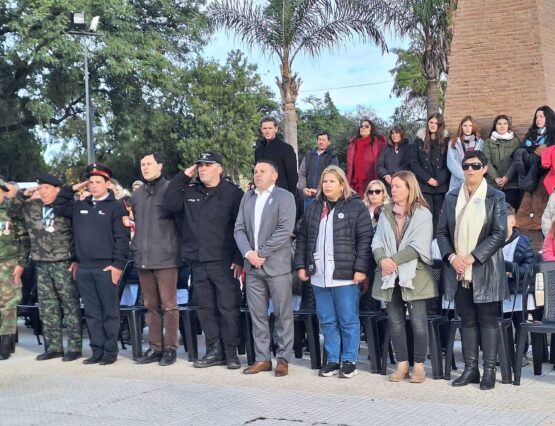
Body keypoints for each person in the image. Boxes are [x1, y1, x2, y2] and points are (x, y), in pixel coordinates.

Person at [163, 151, 244, 369]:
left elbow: (241, 227)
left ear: (220, 168)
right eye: (200, 165)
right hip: (197, 261)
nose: (203, 169)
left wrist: (239, 258)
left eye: (208, 165)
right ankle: (214, 349)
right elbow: (169, 204)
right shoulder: (190, 190)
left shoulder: (232, 193)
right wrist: (183, 175)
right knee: (205, 308)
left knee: (228, 308)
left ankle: (230, 352)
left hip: (224, 261)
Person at [437, 150, 508, 390]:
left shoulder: (496, 196)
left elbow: (499, 233)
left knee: (487, 320)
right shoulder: (451, 197)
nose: (470, 170)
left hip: (484, 268)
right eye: (466, 165)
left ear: (484, 168)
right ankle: (470, 369)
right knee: (466, 319)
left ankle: (489, 370)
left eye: (476, 165)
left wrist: (472, 257)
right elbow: (442, 232)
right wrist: (452, 256)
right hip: (458, 269)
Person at [294, 165, 372, 378]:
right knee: (327, 320)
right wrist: (301, 265)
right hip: (320, 275)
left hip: (346, 275)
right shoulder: (313, 207)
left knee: (347, 319)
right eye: (324, 181)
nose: (327, 185)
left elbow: (365, 239)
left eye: (332, 181)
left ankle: (349, 360)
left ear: (341, 184)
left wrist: (360, 269)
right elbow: (302, 239)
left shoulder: (356, 207)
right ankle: (332, 360)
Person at [55, 163, 130, 365]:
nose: (94, 186)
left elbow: (122, 239)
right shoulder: (80, 205)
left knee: (109, 311)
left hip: (106, 268)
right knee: (91, 312)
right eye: (91, 182)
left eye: (98, 182)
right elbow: (60, 205)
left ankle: (109, 352)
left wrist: (118, 266)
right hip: (84, 267)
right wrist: (74, 187)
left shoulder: (116, 206)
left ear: (108, 184)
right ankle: (96, 351)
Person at [371, 171, 436, 383]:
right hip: (389, 274)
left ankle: (419, 366)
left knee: (418, 321)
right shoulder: (385, 212)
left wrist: (392, 261)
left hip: (414, 274)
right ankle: (401, 364)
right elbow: (377, 241)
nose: (394, 189)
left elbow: (418, 246)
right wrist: (382, 260)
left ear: (410, 188)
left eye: (399, 186)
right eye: (393, 186)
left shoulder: (422, 213)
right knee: (396, 322)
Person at [234, 160, 296, 376]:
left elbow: (284, 230)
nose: (257, 174)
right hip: (252, 268)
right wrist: (249, 254)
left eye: (262, 171)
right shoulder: (247, 197)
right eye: (255, 171)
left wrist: (261, 253)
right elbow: (239, 229)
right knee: (257, 314)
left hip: (277, 266)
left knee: (282, 314)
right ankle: (262, 358)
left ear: (274, 175)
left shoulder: (285, 197)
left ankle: (283, 358)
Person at [13, 173, 82, 361]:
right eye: (40, 187)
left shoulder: (66, 207)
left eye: (47, 188)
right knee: (47, 307)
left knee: (70, 306)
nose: (43, 192)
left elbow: (77, 234)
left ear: (57, 190)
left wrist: (76, 259)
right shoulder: (32, 207)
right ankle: (53, 347)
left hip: (64, 262)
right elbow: (11, 211)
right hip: (41, 264)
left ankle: (75, 347)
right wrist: (23, 194)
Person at [131, 153, 181, 366]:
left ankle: (170, 348)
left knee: (169, 305)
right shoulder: (137, 194)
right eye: (142, 164)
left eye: (149, 164)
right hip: (143, 257)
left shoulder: (170, 190)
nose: (145, 167)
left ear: (160, 165)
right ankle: (155, 347)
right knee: (150, 305)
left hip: (166, 257)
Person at [0, 178, 29, 360]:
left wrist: (21, 264)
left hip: (9, 264)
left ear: (4, 192)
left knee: (8, 306)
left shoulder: (12, 213)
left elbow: (24, 239)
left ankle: (5, 344)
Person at [514, 106, 555, 231]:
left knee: (542, 204)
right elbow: (523, 148)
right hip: (529, 173)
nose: (538, 119)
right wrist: (535, 151)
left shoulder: (553, 134)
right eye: (536, 117)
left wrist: (540, 151)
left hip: (545, 174)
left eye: (541, 116)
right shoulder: (530, 134)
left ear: (548, 118)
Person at [502, 205, 534, 366]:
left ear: (513, 222)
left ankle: (521, 353)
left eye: (505, 220)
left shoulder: (523, 241)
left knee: (520, 323)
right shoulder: (494, 241)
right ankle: (506, 353)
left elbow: (529, 267)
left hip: (519, 290)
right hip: (502, 291)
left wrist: (513, 272)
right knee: (504, 323)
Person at [409, 113, 450, 236]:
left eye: (436, 123)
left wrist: (439, 180)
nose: (433, 125)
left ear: (440, 125)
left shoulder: (446, 141)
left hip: (441, 187)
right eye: (431, 122)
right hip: (424, 187)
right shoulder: (418, 141)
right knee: (426, 216)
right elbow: (414, 162)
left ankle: (438, 245)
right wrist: (427, 179)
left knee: (440, 217)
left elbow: (449, 163)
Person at [483, 115, 522, 209]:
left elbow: (516, 161)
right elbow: (485, 160)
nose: (502, 126)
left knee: (510, 214)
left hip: (511, 184)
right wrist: (496, 177)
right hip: (493, 184)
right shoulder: (488, 142)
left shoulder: (515, 141)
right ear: (495, 126)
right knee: (492, 214)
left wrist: (507, 177)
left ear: (508, 126)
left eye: (505, 123)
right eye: (499, 124)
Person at [254, 117, 298, 194]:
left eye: (270, 128)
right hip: (262, 193)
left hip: (281, 193)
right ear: (261, 130)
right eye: (265, 128)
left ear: (276, 129)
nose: (267, 131)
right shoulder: (258, 150)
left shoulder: (286, 149)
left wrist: (290, 195)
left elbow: (292, 176)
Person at [298, 131, 338, 211]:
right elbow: (302, 173)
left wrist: (318, 190)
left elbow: (333, 177)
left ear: (328, 142)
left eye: (324, 140)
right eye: (319, 139)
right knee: (308, 221)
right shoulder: (309, 155)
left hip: (324, 198)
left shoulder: (332, 158)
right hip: (308, 196)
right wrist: (303, 188)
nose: (321, 142)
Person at [347, 118, 387, 198]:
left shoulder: (378, 143)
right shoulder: (354, 144)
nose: (363, 128)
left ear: (371, 129)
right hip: (357, 184)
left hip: (373, 181)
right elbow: (350, 166)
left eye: (366, 126)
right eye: (361, 126)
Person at [447, 115, 484, 192]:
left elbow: (482, 162)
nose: (467, 128)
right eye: (465, 125)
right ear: (461, 127)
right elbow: (451, 162)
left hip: (475, 181)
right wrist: (464, 176)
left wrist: (471, 175)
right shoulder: (453, 142)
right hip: (457, 181)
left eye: (470, 125)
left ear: (473, 127)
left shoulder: (480, 143)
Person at [377, 125, 411, 193]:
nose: (394, 135)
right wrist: (385, 175)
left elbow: (408, 164)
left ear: (402, 134)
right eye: (392, 133)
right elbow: (379, 165)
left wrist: (394, 175)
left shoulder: (409, 147)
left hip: (402, 182)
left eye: (397, 133)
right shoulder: (386, 148)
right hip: (386, 184)